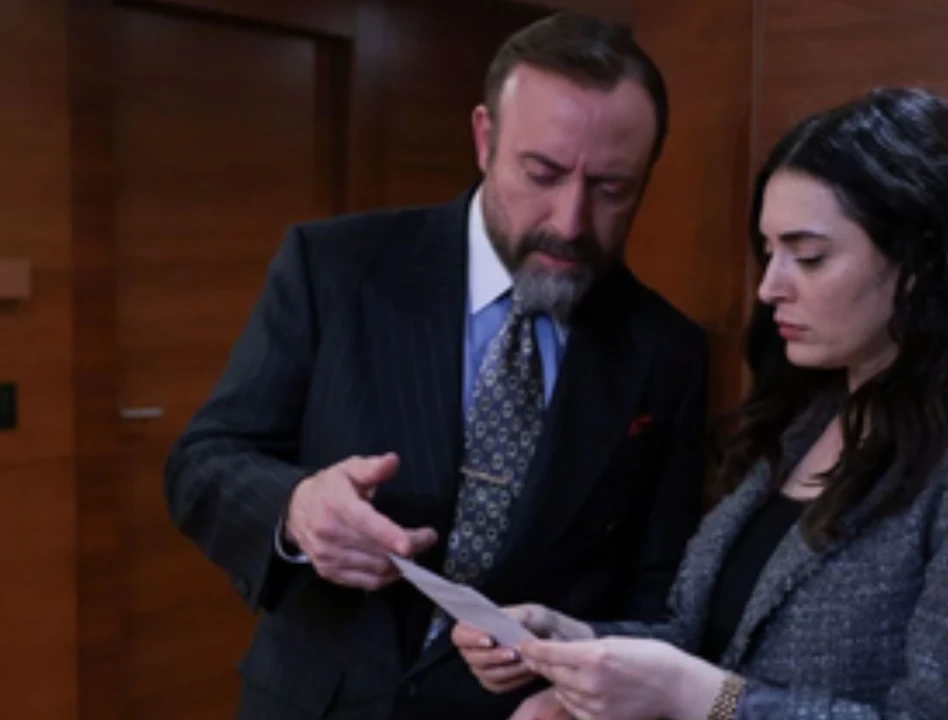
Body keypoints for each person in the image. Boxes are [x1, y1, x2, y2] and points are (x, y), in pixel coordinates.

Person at [453, 87, 948, 720]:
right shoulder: (808, 420)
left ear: (918, 264)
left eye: (809, 257)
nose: (770, 287)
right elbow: (706, 641)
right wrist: (573, 642)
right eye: (770, 252)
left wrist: (703, 697)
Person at [163, 12, 709, 720]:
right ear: (484, 138)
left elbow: (659, 591)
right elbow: (202, 463)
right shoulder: (336, 268)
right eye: (541, 174)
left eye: (611, 188)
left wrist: (579, 683)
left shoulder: (667, 352)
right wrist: (295, 509)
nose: (570, 222)